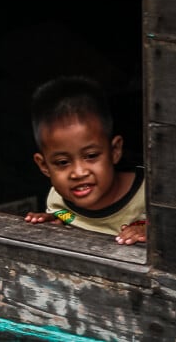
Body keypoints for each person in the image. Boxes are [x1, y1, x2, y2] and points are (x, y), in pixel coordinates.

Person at [24, 75, 147, 245]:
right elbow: (68, 217)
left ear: (114, 151)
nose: (79, 173)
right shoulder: (58, 200)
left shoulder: (148, 195)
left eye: (91, 156)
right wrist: (54, 221)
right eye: (62, 162)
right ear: (44, 165)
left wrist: (147, 230)